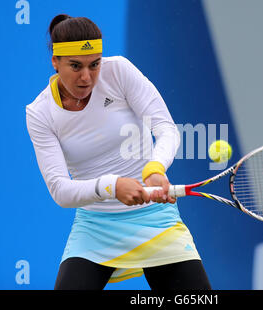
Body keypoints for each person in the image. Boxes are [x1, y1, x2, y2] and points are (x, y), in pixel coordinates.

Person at [25, 14, 211, 290]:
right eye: (75, 66)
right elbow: (60, 191)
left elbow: (166, 128)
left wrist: (155, 168)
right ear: (55, 62)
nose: (87, 77)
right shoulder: (40, 113)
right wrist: (113, 186)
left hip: (154, 220)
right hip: (95, 228)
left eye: (94, 64)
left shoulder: (119, 71)